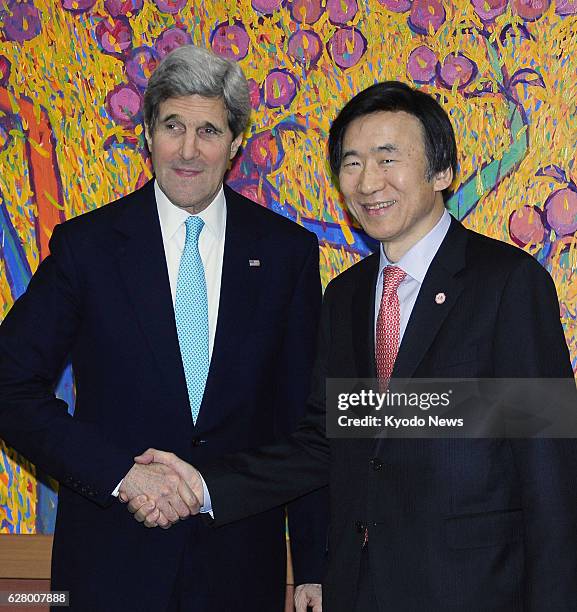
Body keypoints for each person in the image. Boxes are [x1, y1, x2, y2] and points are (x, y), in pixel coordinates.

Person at [127, 81, 577, 612]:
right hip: (358, 587)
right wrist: (203, 486)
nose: (368, 182)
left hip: (473, 589)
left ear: (442, 172)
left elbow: (549, 472)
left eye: (388, 160)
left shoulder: (507, 283)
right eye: (352, 163)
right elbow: (324, 441)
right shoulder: (346, 296)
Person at [0, 45, 328, 611]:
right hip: (108, 566)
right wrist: (122, 476)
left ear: (235, 144)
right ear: (147, 134)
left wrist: (315, 568)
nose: (189, 150)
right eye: (173, 126)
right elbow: (9, 388)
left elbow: (305, 425)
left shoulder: (285, 254)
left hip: (239, 569)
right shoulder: (88, 248)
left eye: (209, 130)